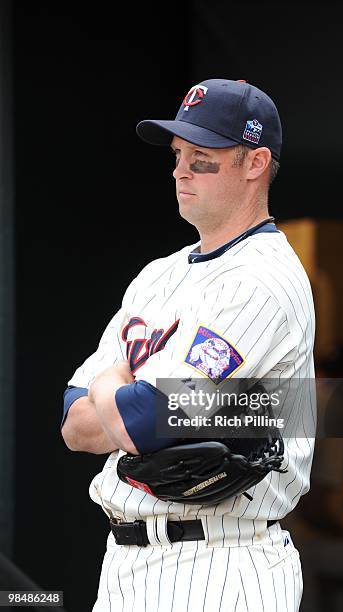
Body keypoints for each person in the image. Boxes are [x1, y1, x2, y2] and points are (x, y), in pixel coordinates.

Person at [61, 78, 316, 612]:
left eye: (202, 158)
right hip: (126, 565)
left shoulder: (263, 279)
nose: (180, 170)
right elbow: (74, 426)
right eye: (178, 155)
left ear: (254, 163)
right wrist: (122, 407)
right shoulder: (157, 275)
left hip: (224, 561)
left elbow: (149, 419)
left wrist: (113, 386)